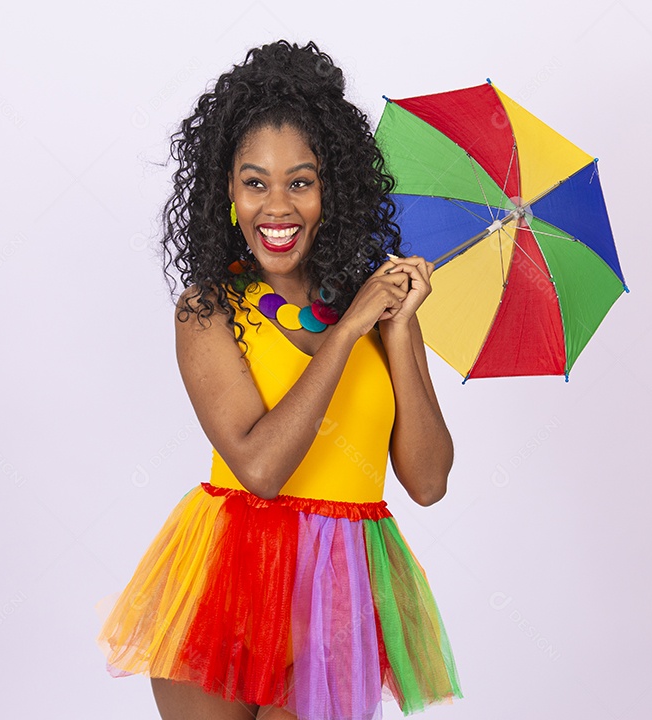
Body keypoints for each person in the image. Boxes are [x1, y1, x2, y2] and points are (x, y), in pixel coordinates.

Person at [97, 39, 462, 720]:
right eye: (255, 181)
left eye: (300, 181)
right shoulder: (208, 310)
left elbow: (428, 481)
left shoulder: (381, 313)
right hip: (227, 585)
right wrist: (347, 332)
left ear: (332, 189)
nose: (277, 207)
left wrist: (399, 331)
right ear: (227, 190)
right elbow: (261, 469)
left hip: (338, 598)